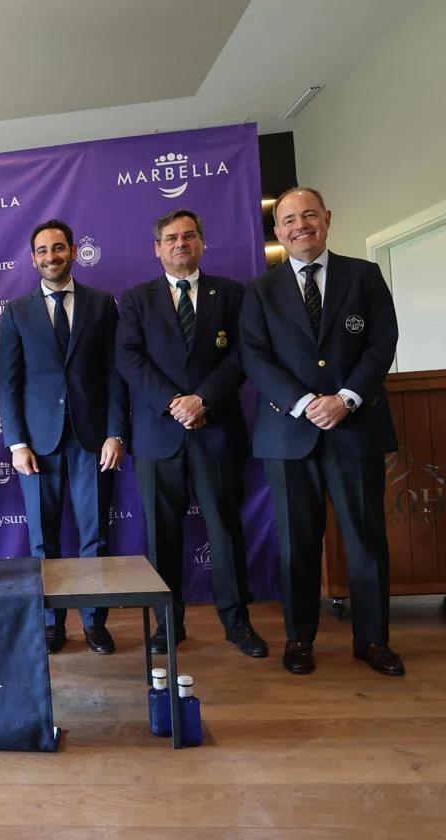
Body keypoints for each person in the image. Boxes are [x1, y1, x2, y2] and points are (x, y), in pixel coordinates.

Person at [240, 187, 403, 677]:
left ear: (327, 219)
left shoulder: (364, 276)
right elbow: (254, 356)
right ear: (277, 231)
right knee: (297, 544)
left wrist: (346, 398)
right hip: (289, 434)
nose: (300, 226)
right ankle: (299, 638)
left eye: (309, 215)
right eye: (289, 220)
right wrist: (306, 403)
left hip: (356, 429)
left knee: (366, 539)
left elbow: (382, 342)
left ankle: (373, 640)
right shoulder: (259, 290)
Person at [116, 210, 266, 658]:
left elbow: (244, 355)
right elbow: (128, 358)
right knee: (162, 534)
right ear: (157, 248)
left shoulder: (232, 294)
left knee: (225, 529)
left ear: (201, 242)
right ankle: (168, 624)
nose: (180, 243)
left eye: (188, 236)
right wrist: (173, 403)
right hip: (158, 435)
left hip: (215, 429)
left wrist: (202, 400)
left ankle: (237, 623)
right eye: (171, 238)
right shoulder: (136, 299)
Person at [0, 220, 128, 655]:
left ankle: (94, 622)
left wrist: (115, 433)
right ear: (33, 258)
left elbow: (115, 374)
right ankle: (51, 623)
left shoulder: (101, 303)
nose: (51, 256)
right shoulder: (16, 311)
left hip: (93, 441)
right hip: (38, 445)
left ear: (72, 250)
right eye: (42, 250)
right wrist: (17, 443)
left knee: (96, 538)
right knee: (42, 540)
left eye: (58, 248)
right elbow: (8, 382)